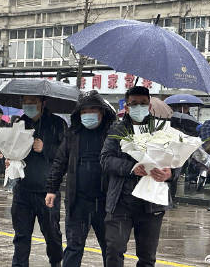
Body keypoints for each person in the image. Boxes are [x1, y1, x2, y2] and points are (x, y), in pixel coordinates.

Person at [100, 86, 172, 267]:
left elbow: (175, 159)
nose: (138, 107)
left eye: (143, 103)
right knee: (114, 250)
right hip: (121, 202)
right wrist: (131, 168)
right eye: (134, 104)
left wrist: (170, 172)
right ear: (127, 106)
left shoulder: (160, 129)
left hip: (151, 203)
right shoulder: (117, 129)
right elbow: (105, 159)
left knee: (147, 257)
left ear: (149, 106)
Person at [45, 90, 116, 267]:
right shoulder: (73, 134)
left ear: (102, 113)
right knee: (74, 247)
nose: (88, 115)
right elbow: (60, 162)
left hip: (106, 203)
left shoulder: (112, 135)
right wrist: (51, 189)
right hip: (77, 202)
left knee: (110, 249)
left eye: (93, 110)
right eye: (84, 111)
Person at [11, 95, 66, 267]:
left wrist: (45, 148)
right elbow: (12, 147)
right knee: (21, 236)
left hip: (47, 190)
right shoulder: (19, 123)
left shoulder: (57, 124)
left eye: (33, 102)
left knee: (52, 234)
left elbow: (65, 154)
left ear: (43, 103)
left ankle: (56, 262)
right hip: (23, 189)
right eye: (25, 102)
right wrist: (9, 158)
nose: (28, 105)